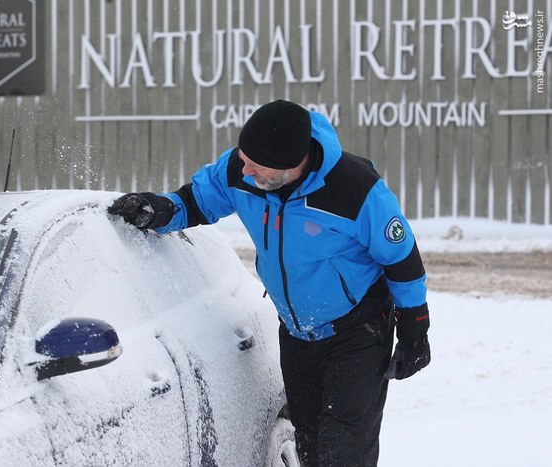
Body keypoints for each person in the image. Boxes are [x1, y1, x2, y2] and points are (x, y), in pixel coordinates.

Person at [108, 100, 431, 466]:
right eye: (242, 158)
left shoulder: (355, 189)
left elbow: (401, 257)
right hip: (296, 332)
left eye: (254, 164)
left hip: (358, 329)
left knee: (344, 451)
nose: (243, 168)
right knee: (308, 442)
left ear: (287, 165)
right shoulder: (241, 170)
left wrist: (415, 328)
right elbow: (195, 201)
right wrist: (158, 210)